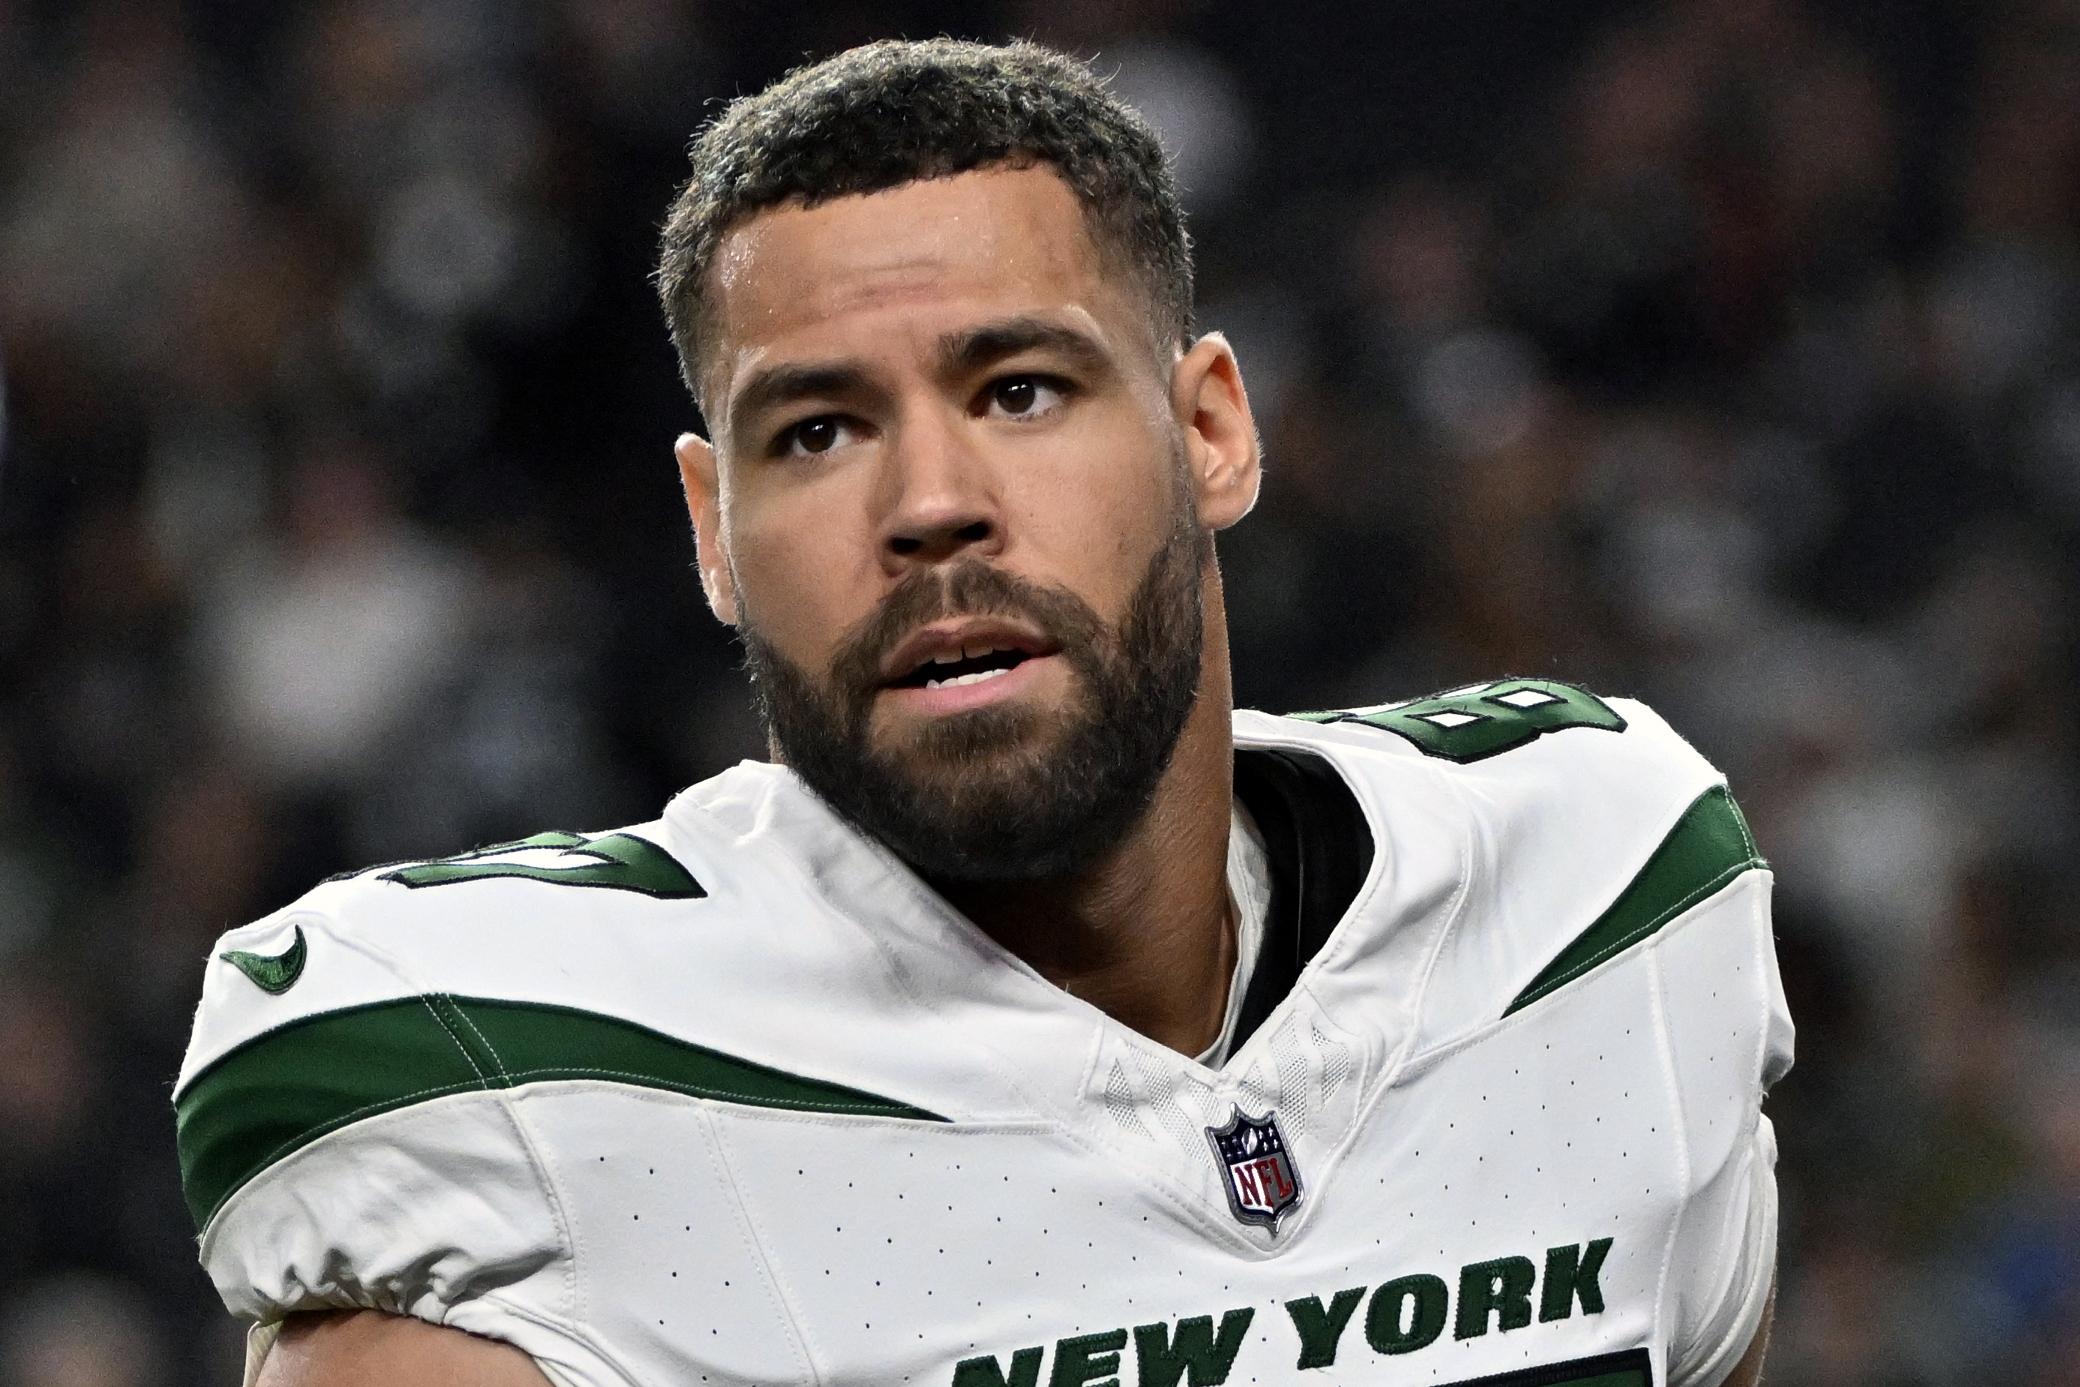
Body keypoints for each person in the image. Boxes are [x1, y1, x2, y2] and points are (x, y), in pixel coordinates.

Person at [174, 38, 1790, 1387]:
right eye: (814, 432)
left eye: (1020, 390)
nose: (931, 503)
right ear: (713, 533)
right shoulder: (484, 1063)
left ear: (1212, 431)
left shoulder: (1608, 885)